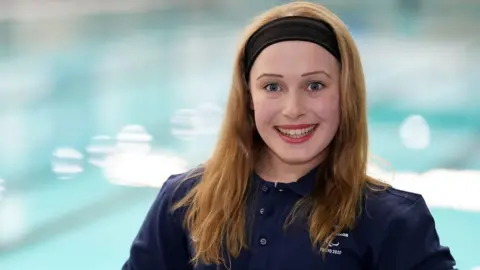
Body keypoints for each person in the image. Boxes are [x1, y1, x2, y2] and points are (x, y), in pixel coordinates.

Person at [122, 1, 456, 269]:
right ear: (248, 99)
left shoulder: (392, 221)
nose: (293, 108)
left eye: (315, 85)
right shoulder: (184, 201)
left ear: (345, 94)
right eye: (272, 86)